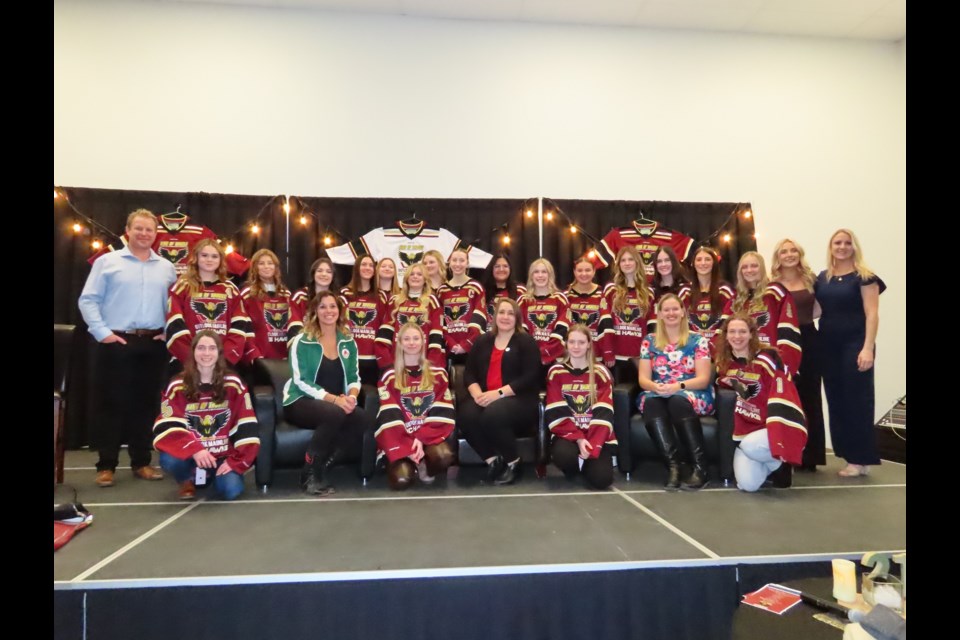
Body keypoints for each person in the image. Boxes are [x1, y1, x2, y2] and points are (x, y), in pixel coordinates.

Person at [79, 209, 178, 487]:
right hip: (116, 342)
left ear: (156, 234)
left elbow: (176, 306)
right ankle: (106, 465)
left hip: (153, 344)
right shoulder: (107, 262)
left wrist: (168, 332)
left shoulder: (167, 268)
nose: (144, 234)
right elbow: (88, 300)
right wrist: (103, 333)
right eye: (139, 229)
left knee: (146, 406)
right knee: (110, 404)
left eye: (149, 229)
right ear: (127, 230)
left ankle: (141, 462)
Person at [283, 292, 374, 495]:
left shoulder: (348, 341)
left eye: (332, 306)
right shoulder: (301, 341)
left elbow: (354, 376)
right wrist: (334, 400)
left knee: (363, 418)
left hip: (335, 404)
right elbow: (300, 380)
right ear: (315, 311)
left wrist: (351, 396)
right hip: (299, 401)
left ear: (339, 311)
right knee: (334, 413)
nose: (328, 311)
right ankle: (309, 473)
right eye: (323, 307)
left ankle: (323, 466)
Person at [152, 330, 260, 500]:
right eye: (201, 348)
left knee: (231, 491)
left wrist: (235, 462)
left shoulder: (234, 384)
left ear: (219, 353)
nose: (206, 353)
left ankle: (210, 476)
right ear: (193, 352)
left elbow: (247, 425)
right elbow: (168, 425)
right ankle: (186, 479)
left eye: (211, 348)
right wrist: (195, 450)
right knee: (170, 460)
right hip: (192, 454)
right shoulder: (177, 385)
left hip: (222, 455)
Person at [815, 229, 885, 477]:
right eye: (837, 242)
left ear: (854, 246)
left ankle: (860, 458)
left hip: (855, 345)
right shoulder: (823, 278)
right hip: (828, 346)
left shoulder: (865, 277)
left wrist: (867, 347)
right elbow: (813, 310)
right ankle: (848, 455)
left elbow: (872, 313)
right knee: (836, 400)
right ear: (831, 246)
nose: (842, 247)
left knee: (858, 401)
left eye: (847, 243)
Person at [716, 315, 807, 492]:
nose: (737, 336)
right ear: (725, 336)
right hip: (747, 431)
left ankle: (783, 466)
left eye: (742, 331)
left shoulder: (767, 359)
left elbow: (785, 389)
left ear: (751, 335)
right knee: (747, 485)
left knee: (750, 446)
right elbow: (724, 380)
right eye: (732, 331)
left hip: (772, 427)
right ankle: (772, 463)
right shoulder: (726, 364)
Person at [460, 297, 542, 485]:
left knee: (492, 414)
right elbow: (469, 373)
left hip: (519, 400)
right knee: (466, 414)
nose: (505, 317)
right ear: (495, 316)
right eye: (502, 312)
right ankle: (493, 461)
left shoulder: (526, 342)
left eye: (511, 313)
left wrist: (498, 394)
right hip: (486, 396)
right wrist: (477, 395)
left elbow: (530, 377)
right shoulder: (483, 341)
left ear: (517, 318)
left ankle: (514, 462)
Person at [638, 294, 715, 490]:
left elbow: (703, 379)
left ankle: (700, 468)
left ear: (683, 312)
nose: (671, 313)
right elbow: (643, 379)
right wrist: (655, 386)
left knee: (677, 401)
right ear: (660, 315)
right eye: (666, 310)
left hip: (690, 391)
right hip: (659, 391)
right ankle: (673, 467)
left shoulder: (698, 340)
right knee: (652, 403)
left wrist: (677, 386)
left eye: (675, 309)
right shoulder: (649, 341)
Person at [375, 323, 457, 490]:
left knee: (444, 457)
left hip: (427, 437)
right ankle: (410, 464)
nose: (411, 343)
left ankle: (424, 465)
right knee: (401, 481)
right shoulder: (389, 376)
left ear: (423, 342)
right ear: (400, 343)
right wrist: (408, 444)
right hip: (400, 437)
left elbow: (442, 409)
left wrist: (420, 438)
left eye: (415, 338)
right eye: (406, 339)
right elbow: (389, 413)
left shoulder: (438, 373)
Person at [771, 238, 825, 471]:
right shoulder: (771, 283)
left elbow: (818, 310)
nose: (789, 254)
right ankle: (788, 452)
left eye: (794, 250)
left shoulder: (812, 281)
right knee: (787, 396)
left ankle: (810, 456)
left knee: (810, 395)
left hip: (809, 340)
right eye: (784, 251)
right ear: (778, 257)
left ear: (800, 254)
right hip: (783, 340)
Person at [544, 325, 616, 490]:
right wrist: (578, 439)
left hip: (594, 433)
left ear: (589, 344)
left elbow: (605, 410)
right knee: (564, 456)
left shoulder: (600, 372)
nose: (576, 347)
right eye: (572, 342)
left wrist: (592, 442)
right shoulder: (556, 372)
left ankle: (586, 462)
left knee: (603, 480)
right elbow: (556, 410)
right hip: (568, 435)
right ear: (566, 344)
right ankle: (576, 466)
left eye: (581, 342)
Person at [166, 239, 256, 368]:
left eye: (214, 256)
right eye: (204, 255)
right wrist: (191, 356)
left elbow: (240, 326)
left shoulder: (231, 289)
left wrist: (224, 357)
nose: (209, 260)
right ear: (196, 257)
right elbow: (174, 323)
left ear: (221, 260)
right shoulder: (182, 287)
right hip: (188, 362)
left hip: (223, 362)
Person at [731, 251, 802, 374]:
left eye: (754, 266)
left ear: (762, 268)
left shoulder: (775, 292)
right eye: (745, 267)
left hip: (771, 363)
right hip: (743, 364)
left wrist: (784, 364)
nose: (749, 270)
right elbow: (725, 332)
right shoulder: (736, 299)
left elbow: (788, 330)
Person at [375, 262, 446, 370]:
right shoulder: (395, 300)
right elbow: (385, 334)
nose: (415, 277)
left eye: (419, 274)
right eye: (412, 274)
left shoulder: (432, 301)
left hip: (424, 362)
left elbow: (436, 335)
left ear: (425, 279)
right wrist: (387, 363)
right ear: (406, 278)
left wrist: (431, 363)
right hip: (397, 362)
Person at [601, 246, 655, 381]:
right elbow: (605, 323)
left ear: (637, 262)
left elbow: (652, 328)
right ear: (618, 265)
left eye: (630, 259)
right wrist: (608, 351)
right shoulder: (610, 290)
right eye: (623, 260)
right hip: (615, 357)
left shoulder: (649, 292)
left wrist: (649, 353)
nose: (627, 263)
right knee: (619, 398)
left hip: (639, 357)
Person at [240, 248, 301, 360]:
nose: (266, 267)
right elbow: (244, 328)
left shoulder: (285, 294)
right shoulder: (247, 294)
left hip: (284, 357)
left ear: (276, 267)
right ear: (255, 267)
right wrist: (254, 355)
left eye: (270, 263)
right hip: (259, 358)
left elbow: (293, 326)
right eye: (261, 263)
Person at [340, 255, 386, 386]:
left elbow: (384, 325)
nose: (367, 268)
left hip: (372, 358)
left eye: (371, 265)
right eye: (364, 264)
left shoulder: (381, 296)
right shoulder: (344, 293)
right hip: (349, 356)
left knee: (370, 397)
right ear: (356, 268)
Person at [436, 247, 487, 363]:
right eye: (454, 260)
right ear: (449, 263)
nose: (457, 264)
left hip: (472, 348)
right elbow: (439, 321)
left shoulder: (476, 287)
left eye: (462, 260)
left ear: (467, 263)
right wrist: (451, 344)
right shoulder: (442, 290)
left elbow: (480, 318)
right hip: (448, 348)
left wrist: (467, 344)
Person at [518, 258, 570, 370]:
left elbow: (562, 330)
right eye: (536, 272)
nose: (540, 275)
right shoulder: (523, 300)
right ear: (531, 275)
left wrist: (547, 351)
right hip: (529, 358)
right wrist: (533, 353)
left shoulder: (560, 299)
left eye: (544, 271)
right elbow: (521, 331)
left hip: (556, 358)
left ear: (550, 275)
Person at [684, 245, 735, 350]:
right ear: (693, 264)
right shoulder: (685, 291)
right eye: (699, 259)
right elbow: (681, 322)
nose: (703, 263)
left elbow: (728, 321)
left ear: (714, 263)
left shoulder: (725, 290)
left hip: (720, 349)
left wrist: (713, 345)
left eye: (707, 259)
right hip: (691, 349)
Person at [565, 257, 613, 360]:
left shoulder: (602, 294)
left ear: (594, 271)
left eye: (587, 270)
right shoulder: (566, 295)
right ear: (574, 272)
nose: (584, 274)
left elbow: (606, 325)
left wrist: (607, 350)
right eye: (580, 270)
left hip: (596, 353)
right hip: (573, 352)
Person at [481, 254, 526, 327]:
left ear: (510, 269)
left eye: (505, 266)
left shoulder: (520, 290)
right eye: (497, 266)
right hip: (488, 334)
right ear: (491, 269)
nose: (501, 269)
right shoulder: (483, 290)